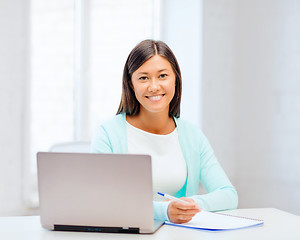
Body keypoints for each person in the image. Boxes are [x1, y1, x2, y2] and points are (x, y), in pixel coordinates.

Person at [91, 39, 238, 223]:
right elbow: (102, 199)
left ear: (175, 78)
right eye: (143, 77)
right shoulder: (109, 134)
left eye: (162, 76)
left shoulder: (192, 136)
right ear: (131, 83)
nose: (154, 86)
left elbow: (228, 195)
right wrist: (164, 210)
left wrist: (191, 204)